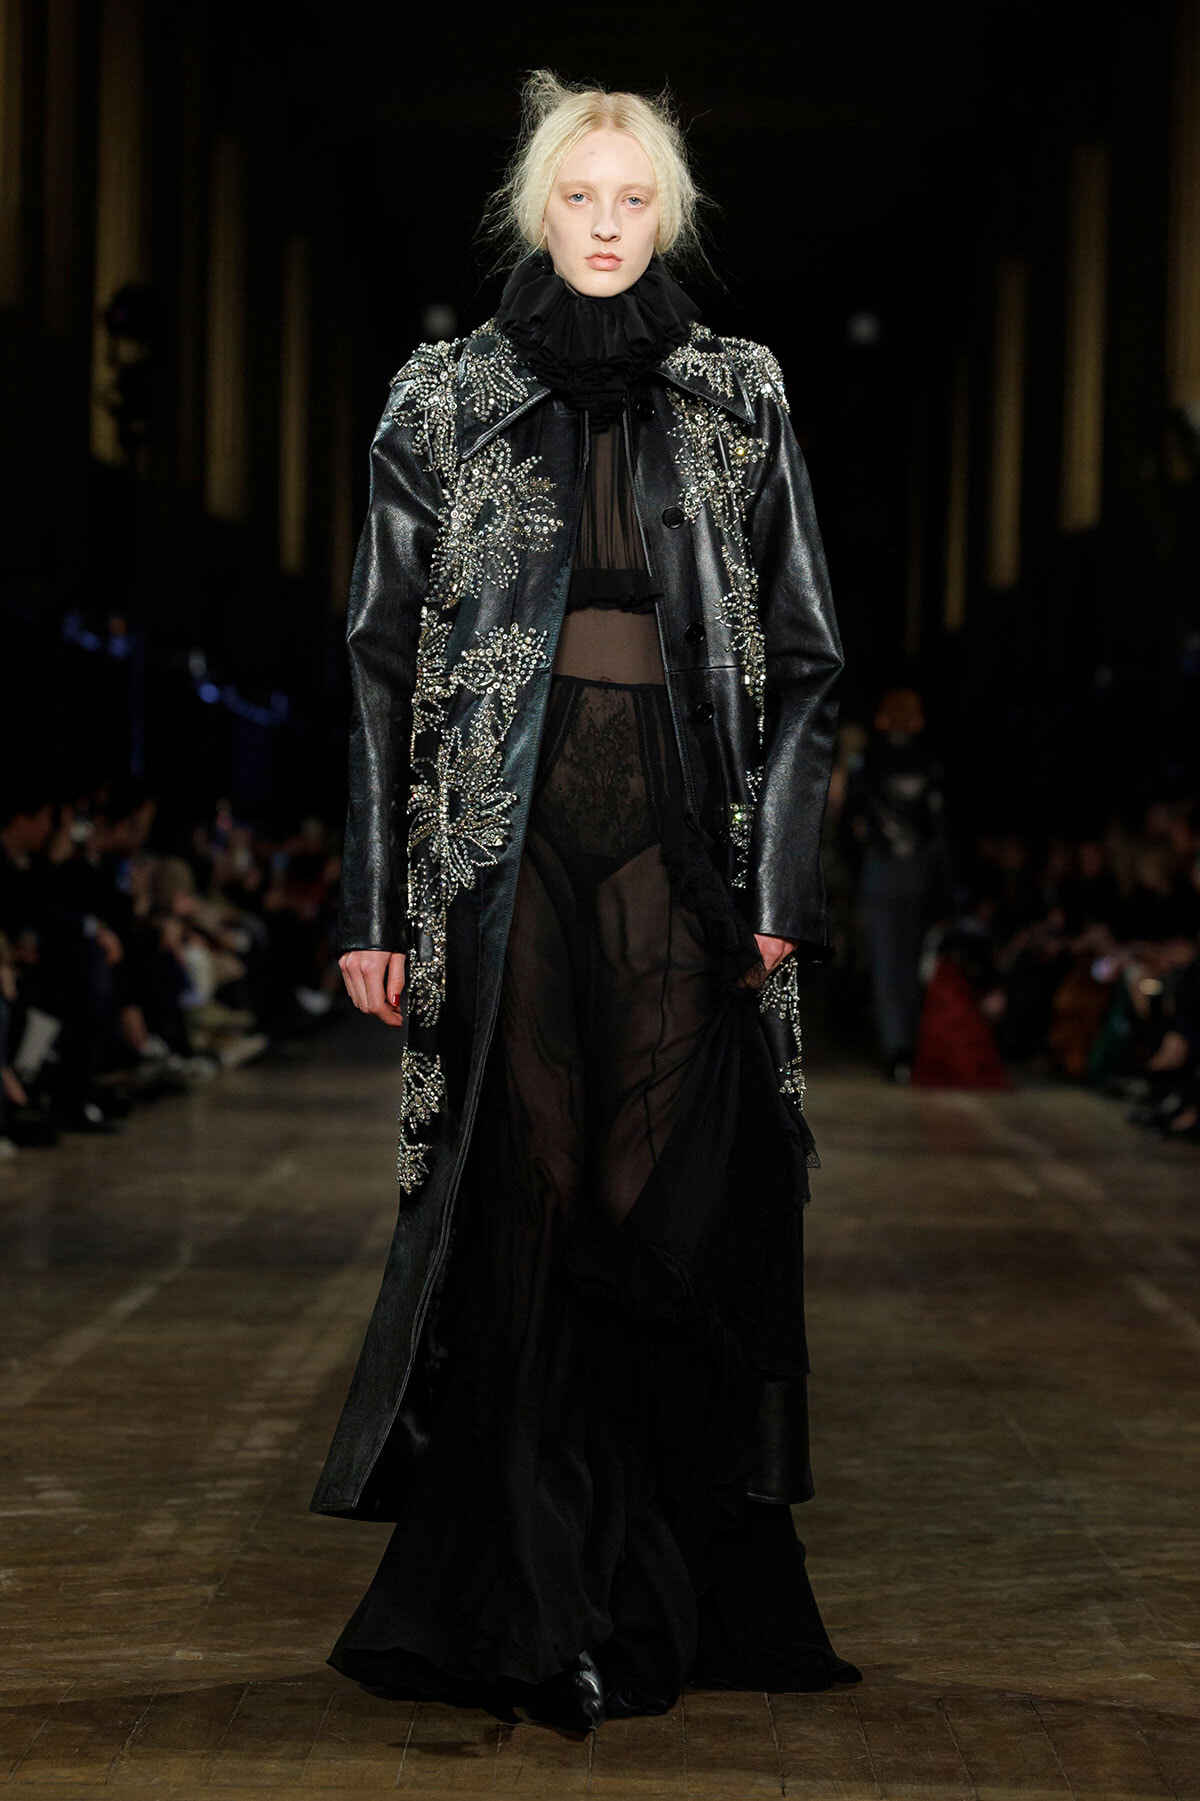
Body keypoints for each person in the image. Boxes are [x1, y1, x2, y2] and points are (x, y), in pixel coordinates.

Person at [316, 71, 858, 1731]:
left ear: (668, 213)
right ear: (534, 210)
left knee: (662, 1207)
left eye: (635, 201)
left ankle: (648, 1574)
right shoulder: (441, 398)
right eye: (580, 200)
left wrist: (774, 884)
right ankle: (544, 1603)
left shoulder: (742, 396)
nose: (608, 227)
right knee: (534, 1205)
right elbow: (378, 664)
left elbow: (810, 660)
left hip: (684, 861)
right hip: (504, 850)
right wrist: (378, 903)